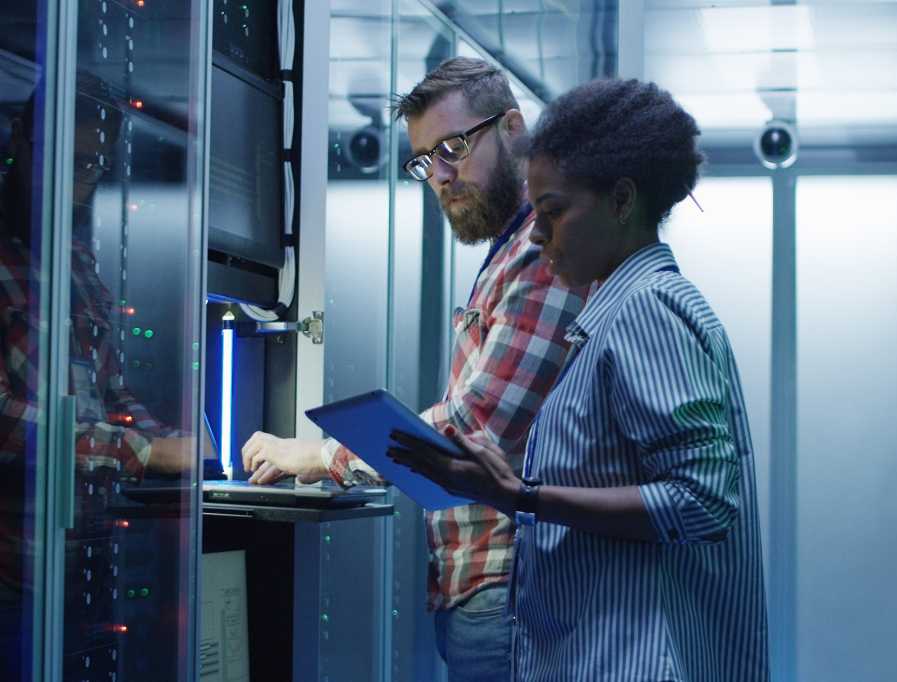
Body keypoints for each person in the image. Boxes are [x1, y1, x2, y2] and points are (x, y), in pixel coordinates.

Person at [388, 78, 771, 681]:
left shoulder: (645, 307)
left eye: (553, 212)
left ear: (621, 201)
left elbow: (701, 502)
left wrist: (522, 498)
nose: (536, 236)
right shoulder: (617, 311)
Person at [240, 58, 589, 680]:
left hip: (511, 587)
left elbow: (472, 429)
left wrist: (322, 455)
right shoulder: (512, 251)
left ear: (513, 128)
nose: (441, 176)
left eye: (454, 147)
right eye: (425, 160)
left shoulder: (541, 251)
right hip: (486, 590)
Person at [0, 79, 194, 680]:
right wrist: (144, 451)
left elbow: (110, 392)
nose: (75, 179)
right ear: (24, 142)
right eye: (62, 158)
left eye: (90, 164)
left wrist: (182, 445)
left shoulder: (75, 261)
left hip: (83, 564)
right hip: (12, 573)